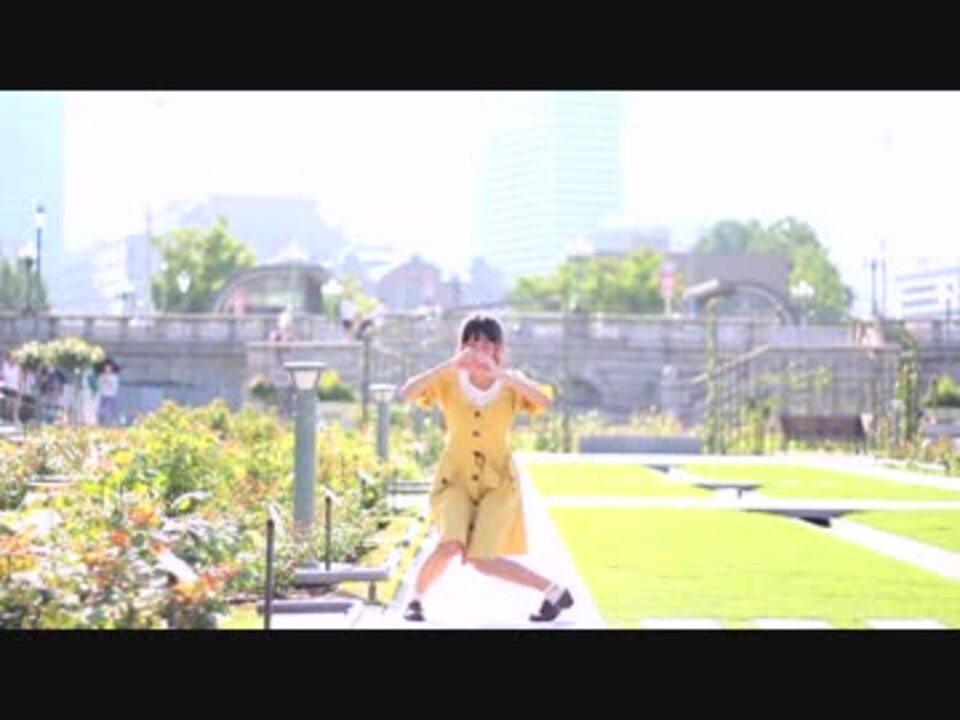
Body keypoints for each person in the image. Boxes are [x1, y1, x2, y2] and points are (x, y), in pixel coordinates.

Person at [396, 312, 574, 623]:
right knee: (450, 543)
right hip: (455, 478)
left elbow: (544, 402)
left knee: (482, 559)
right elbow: (407, 392)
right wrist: (449, 365)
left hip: (498, 482)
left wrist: (501, 374)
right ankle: (415, 601)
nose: (478, 350)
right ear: (461, 346)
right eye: (471, 343)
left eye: (486, 344)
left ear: (498, 348)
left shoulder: (510, 384)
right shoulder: (449, 379)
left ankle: (554, 592)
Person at [97, 360, 120, 426]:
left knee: (108, 410)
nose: (107, 369)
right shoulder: (101, 376)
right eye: (106, 368)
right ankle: (102, 423)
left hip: (111, 396)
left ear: (111, 369)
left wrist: (108, 381)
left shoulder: (114, 377)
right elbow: (99, 385)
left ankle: (108, 423)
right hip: (103, 395)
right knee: (102, 410)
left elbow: (114, 387)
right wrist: (103, 381)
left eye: (109, 368)